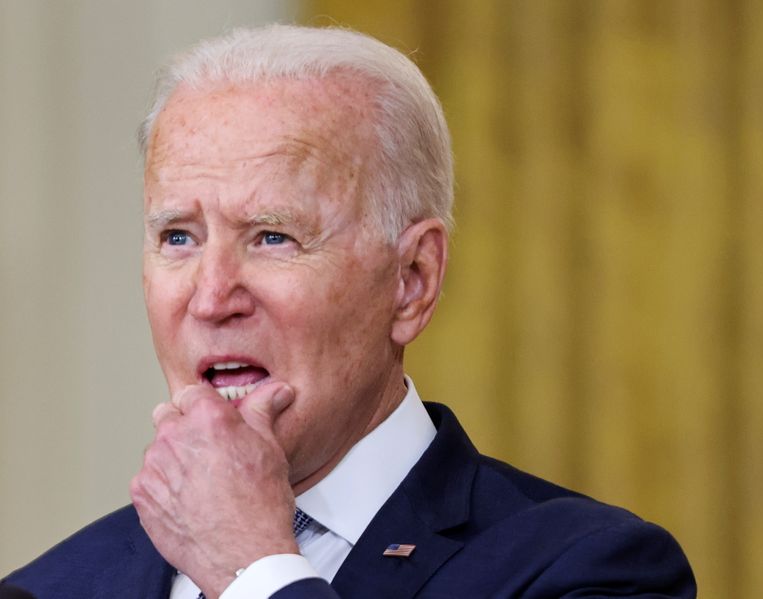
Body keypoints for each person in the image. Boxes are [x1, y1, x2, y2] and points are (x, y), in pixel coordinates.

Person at [2, 24, 696, 599]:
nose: (211, 298)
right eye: (178, 237)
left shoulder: (588, 569)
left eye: (273, 236)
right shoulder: (50, 588)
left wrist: (253, 569)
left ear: (412, 280)